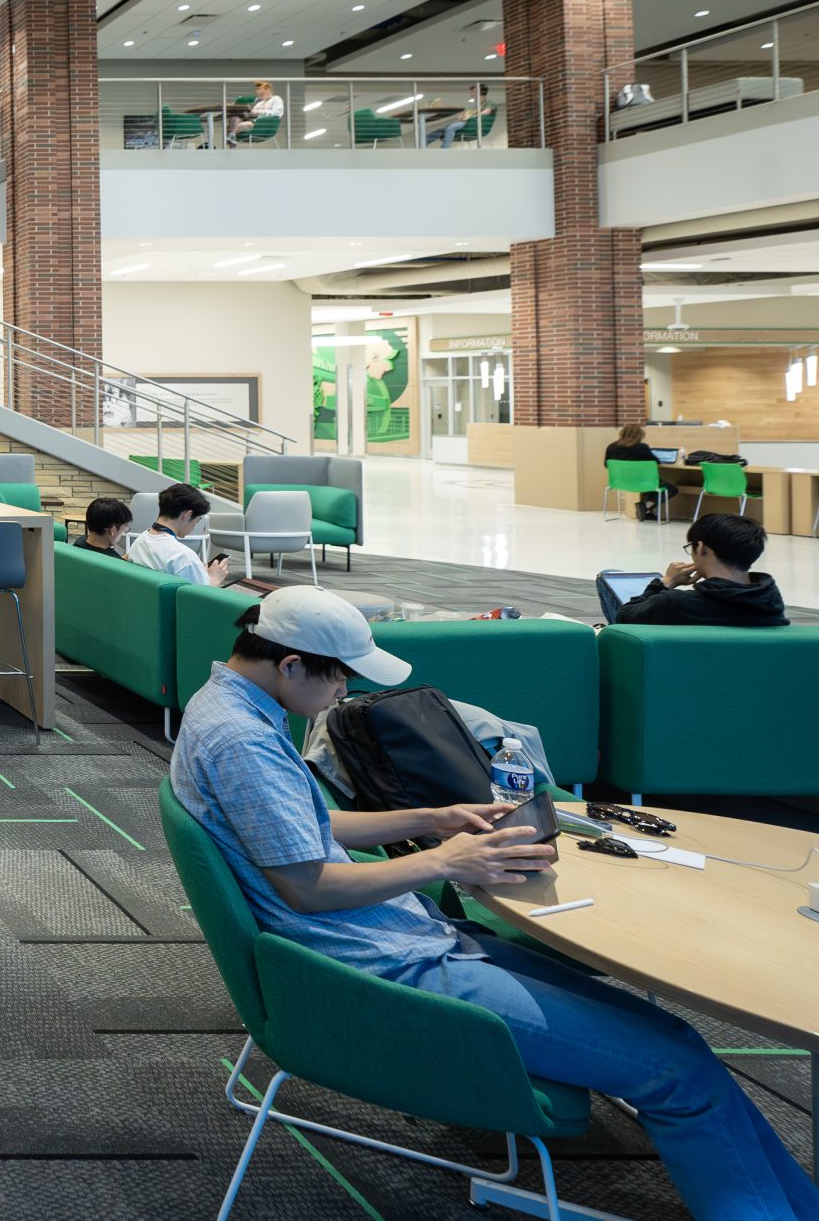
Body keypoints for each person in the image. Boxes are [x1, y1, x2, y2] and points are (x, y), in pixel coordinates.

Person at [173, 586, 819, 1220]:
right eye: (338, 676)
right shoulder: (243, 741)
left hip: (394, 939)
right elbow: (307, 886)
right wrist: (444, 860)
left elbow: (298, 828)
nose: (343, 691)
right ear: (289, 663)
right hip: (381, 966)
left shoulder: (229, 709)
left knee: (678, 1040)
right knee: (679, 1075)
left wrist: (436, 816)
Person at [613, 512, 790, 628]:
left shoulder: (674, 603)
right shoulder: (771, 600)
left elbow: (623, 618)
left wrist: (665, 583)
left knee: (610, 574)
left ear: (701, 548)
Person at [128, 482, 230, 585]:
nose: (194, 527)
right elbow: (201, 598)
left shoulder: (140, 541)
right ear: (188, 515)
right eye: (197, 521)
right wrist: (214, 579)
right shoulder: (183, 557)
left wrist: (196, 571)